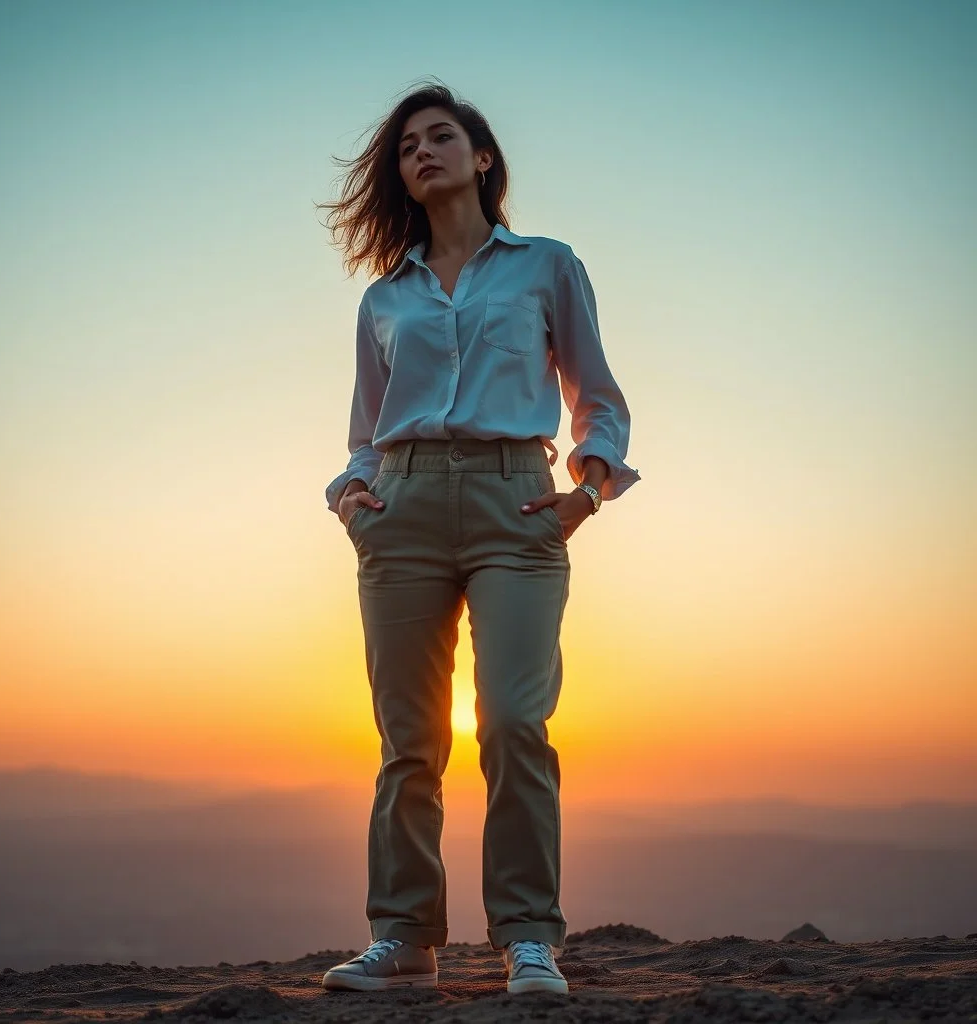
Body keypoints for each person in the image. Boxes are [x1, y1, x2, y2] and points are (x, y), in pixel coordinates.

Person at [315, 80, 640, 995]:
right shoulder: (384, 300)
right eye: (408, 144)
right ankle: (405, 936)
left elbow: (598, 397)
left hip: (517, 504)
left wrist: (590, 491)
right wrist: (353, 501)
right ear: (403, 176)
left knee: (513, 723)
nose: (423, 150)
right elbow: (362, 431)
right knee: (408, 738)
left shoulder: (546, 266)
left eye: (442, 135)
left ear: (482, 157)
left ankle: (529, 937)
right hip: (403, 508)